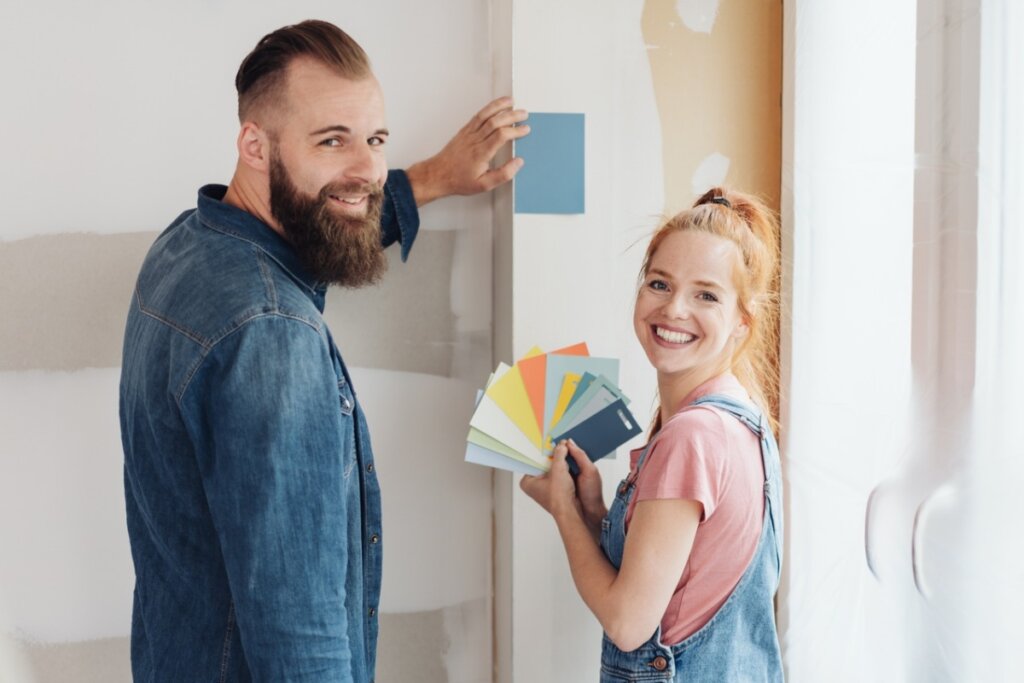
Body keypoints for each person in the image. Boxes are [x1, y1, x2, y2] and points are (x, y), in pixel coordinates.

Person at [119, 19, 528, 682]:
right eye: (332, 139)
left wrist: (428, 178)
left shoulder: (188, 246)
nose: (367, 166)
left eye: (376, 139)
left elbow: (313, 231)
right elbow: (298, 630)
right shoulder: (272, 332)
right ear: (255, 144)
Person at [521, 188, 784, 681]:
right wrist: (594, 511)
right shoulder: (742, 420)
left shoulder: (694, 436)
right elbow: (680, 580)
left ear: (741, 325)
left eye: (706, 295)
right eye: (660, 284)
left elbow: (627, 622)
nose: (674, 309)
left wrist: (562, 511)